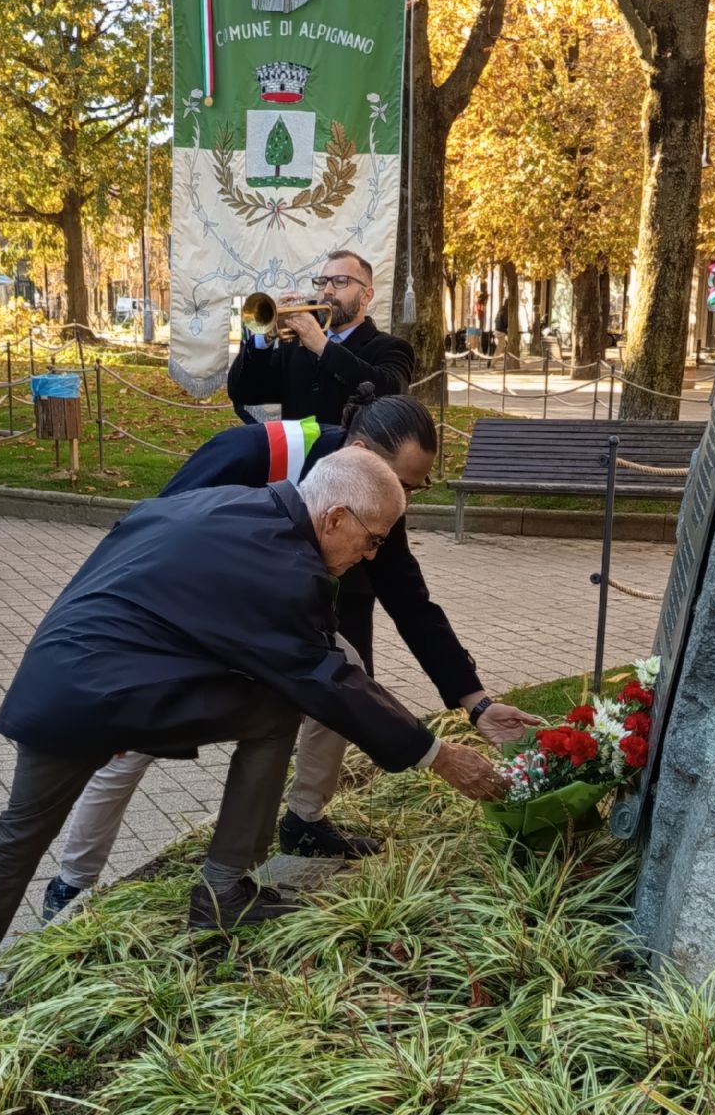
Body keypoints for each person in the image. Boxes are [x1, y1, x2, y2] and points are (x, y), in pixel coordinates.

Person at [0, 450, 505, 1035]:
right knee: (280, 704)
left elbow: (126, 557)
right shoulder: (286, 568)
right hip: (106, 692)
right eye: (372, 540)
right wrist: (439, 755)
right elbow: (326, 679)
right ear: (335, 518)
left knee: (15, 836)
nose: (371, 555)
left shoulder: (230, 505)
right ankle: (222, 893)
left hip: (59, 676)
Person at [41, 390, 542, 921]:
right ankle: (72, 883)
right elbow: (145, 536)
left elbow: (410, 603)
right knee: (133, 740)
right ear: (362, 452)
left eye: (416, 489)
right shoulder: (250, 454)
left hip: (274, 619)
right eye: (405, 485)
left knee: (344, 674)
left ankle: (304, 820)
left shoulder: (379, 497)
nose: (406, 504)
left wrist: (476, 703)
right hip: (181, 619)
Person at [227, 248, 413, 425]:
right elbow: (243, 392)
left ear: (366, 295)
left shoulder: (392, 348)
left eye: (340, 281)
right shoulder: (293, 345)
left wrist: (323, 347)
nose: (327, 291)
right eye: (323, 282)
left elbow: (389, 393)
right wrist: (265, 336)